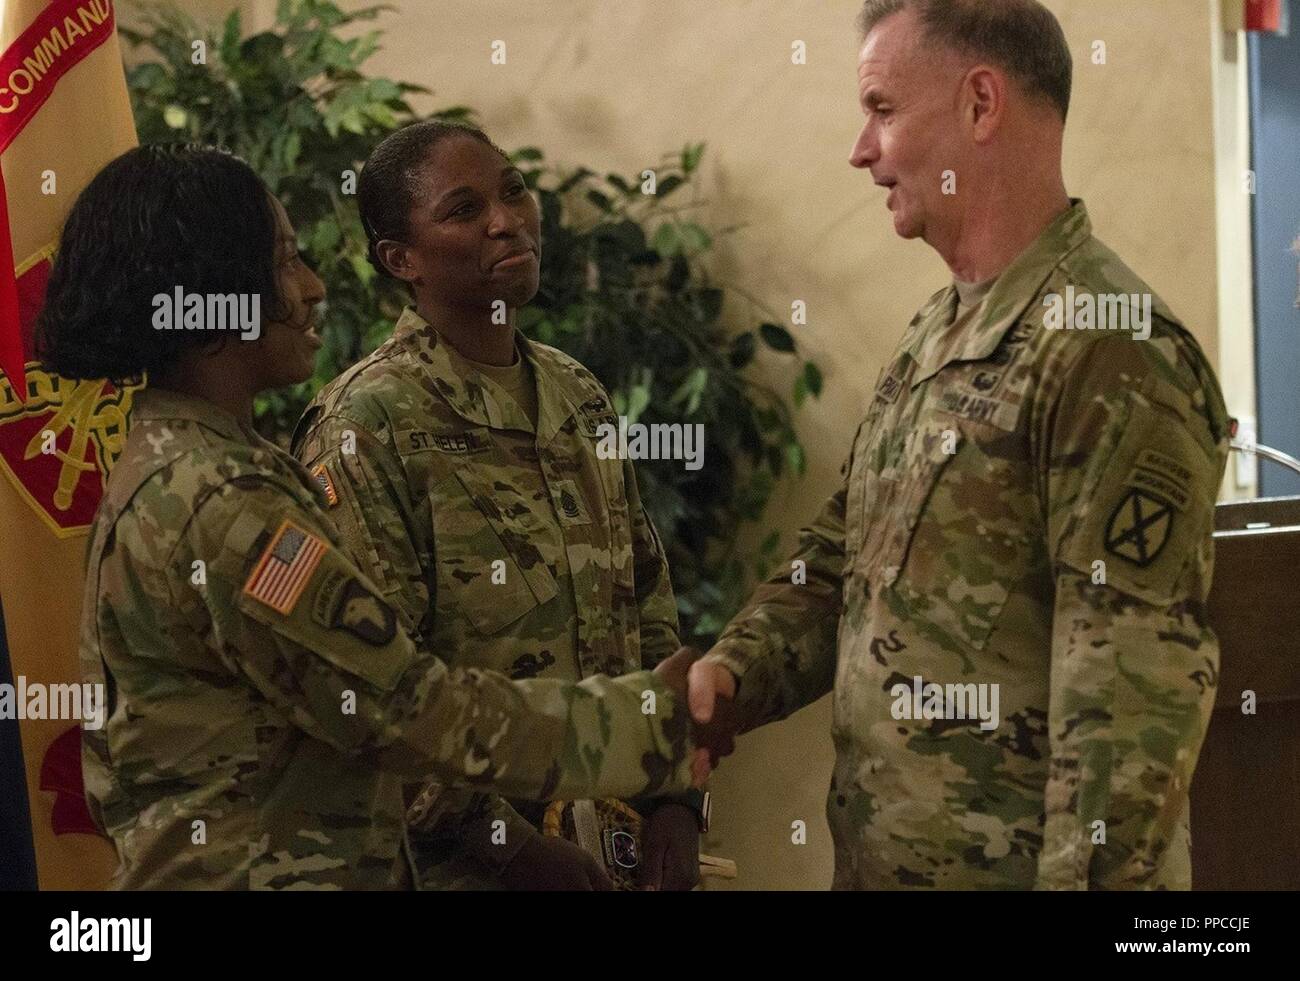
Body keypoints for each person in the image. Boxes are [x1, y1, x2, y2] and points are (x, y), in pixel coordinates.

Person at [36, 144, 717, 891]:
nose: (314, 286)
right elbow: (408, 708)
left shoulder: (192, 465)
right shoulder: (222, 498)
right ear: (216, 292)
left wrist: (667, 791)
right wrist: (649, 724)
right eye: (286, 262)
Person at [685, 0, 1230, 890]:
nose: (861, 150)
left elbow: (1128, 718)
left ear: (981, 105)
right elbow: (841, 555)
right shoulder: (937, 331)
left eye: (882, 109)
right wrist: (731, 674)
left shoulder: (1109, 351)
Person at [292, 121, 706, 891]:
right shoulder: (366, 425)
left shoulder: (575, 392)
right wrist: (509, 849)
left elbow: (646, 596)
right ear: (400, 260)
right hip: (469, 868)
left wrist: (675, 794)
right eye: (463, 208)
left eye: (513, 190)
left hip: (616, 847)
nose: (505, 219)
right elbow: (370, 691)